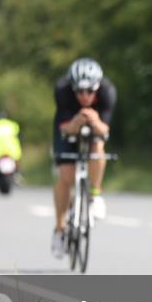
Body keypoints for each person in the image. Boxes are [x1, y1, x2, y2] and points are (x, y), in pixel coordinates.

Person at [51, 58, 116, 258]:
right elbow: (65, 130)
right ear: (72, 87)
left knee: (98, 147)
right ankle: (60, 228)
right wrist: (77, 121)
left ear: (97, 87)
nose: (84, 96)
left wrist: (95, 122)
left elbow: (105, 131)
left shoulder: (107, 92)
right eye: (79, 91)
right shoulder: (62, 90)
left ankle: (95, 195)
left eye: (90, 92)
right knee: (66, 176)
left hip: (95, 127)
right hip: (68, 127)